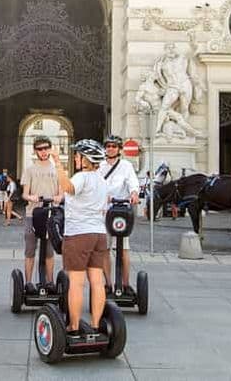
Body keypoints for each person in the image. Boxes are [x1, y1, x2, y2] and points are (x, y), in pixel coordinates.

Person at [54, 139, 108, 336]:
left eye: (78, 155)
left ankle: (74, 326)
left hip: (78, 235)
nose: (76, 158)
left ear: (87, 159)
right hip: (99, 234)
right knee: (97, 281)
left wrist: (58, 165)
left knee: (76, 282)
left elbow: (67, 187)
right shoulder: (102, 180)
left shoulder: (82, 177)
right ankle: (95, 325)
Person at [97, 135, 139, 294]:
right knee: (104, 249)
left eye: (114, 146)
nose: (111, 148)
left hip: (121, 212)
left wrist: (134, 193)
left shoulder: (126, 166)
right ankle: (107, 284)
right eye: (108, 146)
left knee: (124, 249)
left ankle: (126, 285)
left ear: (119, 149)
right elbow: (96, 183)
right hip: (104, 211)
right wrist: (101, 196)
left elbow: (132, 181)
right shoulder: (99, 166)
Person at [21, 135, 62, 293]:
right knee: (30, 248)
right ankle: (28, 283)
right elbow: (25, 193)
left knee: (49, 251)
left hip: (50, 213)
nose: (43, 152)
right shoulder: (30, 169)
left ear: (50, 149)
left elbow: (61, 192)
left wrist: (59, 197)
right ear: (35, 151)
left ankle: (50, 282)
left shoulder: (56, 169)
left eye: (46, 148)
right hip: (33, 213)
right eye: (40, 149)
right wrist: (31, 197)